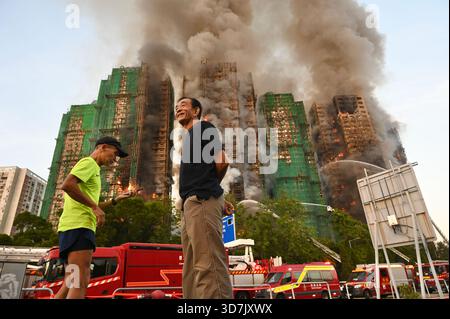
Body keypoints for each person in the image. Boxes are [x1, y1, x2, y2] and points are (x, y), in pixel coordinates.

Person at [54, 136, 130, 299]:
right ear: (102, 147)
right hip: (79, 227)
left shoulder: (93, 170)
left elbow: (90, 202)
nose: (115, 159)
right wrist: (94, 207)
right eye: (115, 153)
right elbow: (67, 185)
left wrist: (115, 200)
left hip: (71, 227)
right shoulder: (89, 163)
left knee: (71, 280)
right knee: (81, 279)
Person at [176, 96, 234, 299]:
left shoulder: (204, 129)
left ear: (196, 111)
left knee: (208, 263)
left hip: (201, 200)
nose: (178, 108)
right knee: (191, 268)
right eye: (177, 106)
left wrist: (210, 191)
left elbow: (222, 161)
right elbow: (204, 172)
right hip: (191, 204)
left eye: (183, 105)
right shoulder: (190, 137)